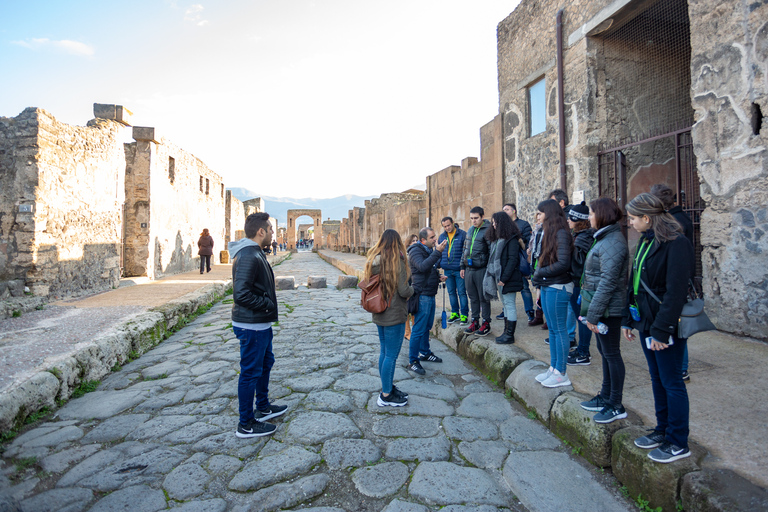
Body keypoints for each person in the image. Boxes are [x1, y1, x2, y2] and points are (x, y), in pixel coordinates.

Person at [622, 193, 694, 463]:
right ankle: (662, 430)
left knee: (672, 381)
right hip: (646, 322)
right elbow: (635, 282)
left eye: (632, 218)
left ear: (646, 218)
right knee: (656, 377)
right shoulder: (646, 240)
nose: (629, 223)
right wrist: (631, 320)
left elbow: (676, 292)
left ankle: (678, 440)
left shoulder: (677, 243)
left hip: (664, 326)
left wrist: (662, 331)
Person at [229, 213, 287, 438]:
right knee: (250, 372)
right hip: (251, 324)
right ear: (261, 231)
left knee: (265, 363)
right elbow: (241, 293)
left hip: (259, 323)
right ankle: (246, 423)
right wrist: (266, 304)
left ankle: (262, 406)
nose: (273, 232)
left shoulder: (254, 253)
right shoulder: (247, 255)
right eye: (270, 229)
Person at [577, 198, 628, 423]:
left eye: (591, 214)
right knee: (605, 353)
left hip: (609, 310)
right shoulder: (605, 238)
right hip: (602, 308)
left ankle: (615, 403)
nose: (589, 218)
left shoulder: (612, 241)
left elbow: (607, 282)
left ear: (602, 215)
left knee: (612, 354)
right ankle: (605, 396)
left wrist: (593, 314)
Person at [365, 229, 414, 407]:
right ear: (397, 242)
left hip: (379, 311)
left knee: (385, 352)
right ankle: (386, 395)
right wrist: (413, 290)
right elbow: (403, 290)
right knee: (391, 355)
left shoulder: (374, 260)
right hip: (394, 313)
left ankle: (387, 387)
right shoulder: (397, 261)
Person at [650, 183, 694, 382]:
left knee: (679, 328)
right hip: (684, 276)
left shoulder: (673, 224)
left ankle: (682, 367)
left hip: (677, 279)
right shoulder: (682, 217)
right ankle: (681, 366)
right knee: (680, 327)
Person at [531, 199, 574, 388]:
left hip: (559, 286)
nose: (537, 216)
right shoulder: (549, 233)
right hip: (549, 284)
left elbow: (563, 263)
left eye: (540, 213)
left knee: (559, 329)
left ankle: (561, 373)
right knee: (553, 330)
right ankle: (554, 368)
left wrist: (540, 273)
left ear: (548, 213)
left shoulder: (562, 233)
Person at [407, 227, 447, 375]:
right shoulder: (415, 250)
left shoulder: (429, 249)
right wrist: (438, 252)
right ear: (423, 240)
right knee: (418, 329)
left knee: (427, 326)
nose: (435, 239)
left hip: (430, 293)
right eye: (432, 237)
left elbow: (429, 268)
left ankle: (424, 352)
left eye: (434, 236)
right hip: (422, 294)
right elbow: (422, 267)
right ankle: (413, 361)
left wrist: (437, 277)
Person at [484, 212, 524, 344]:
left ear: (502, 223)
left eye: (496, 222)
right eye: (493, 222)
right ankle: (506, 332)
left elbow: (513, 261)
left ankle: (509, 335)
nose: (493, 225)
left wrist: (504, 278)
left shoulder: (511, 239)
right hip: (500, 278)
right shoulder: (498, 240)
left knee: (510, 305)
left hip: (508, 278)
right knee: (506, 305)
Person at [566, 202, 596, 366]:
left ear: (578, 220)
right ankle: (582, 348)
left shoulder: (583, 238)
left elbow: (578, 264)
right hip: (576, 283)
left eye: (571, 218)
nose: (568, 220)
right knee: (580, 317)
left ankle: (584, 352)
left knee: (583, 318)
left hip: (580, 284)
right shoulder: (578, 236)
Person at [461, 207, 492, 336]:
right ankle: (475, 321)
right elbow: (465, 248)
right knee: (472, 297)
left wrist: (490, 270)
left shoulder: (488, 230)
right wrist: (462, 266)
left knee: (483, 297)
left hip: (481, 269)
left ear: (482, 217)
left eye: (476, 218)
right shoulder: (470, 230)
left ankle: (486, 323)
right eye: (472, 218)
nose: (473, 221)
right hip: (469, 269)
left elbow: (491, 251)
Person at [503, 203, 535, 323]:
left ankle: (530, 312)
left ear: (514, 211)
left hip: (519, 261)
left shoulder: (523, 224)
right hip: (506, 262)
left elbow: (529, 242)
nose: (505, 211)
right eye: (503, 210)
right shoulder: (503, 226)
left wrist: (520, 240)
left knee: (524, 288)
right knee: (505, 288)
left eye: (507, 209)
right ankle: (505, 310)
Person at [438, 217, 469, 325]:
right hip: (447, 269)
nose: (447, 228)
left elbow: (466, 252)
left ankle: (464, 314)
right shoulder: (442, 236)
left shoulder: (462, 234)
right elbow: (439, 252)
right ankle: (455, 313)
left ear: (453, 223)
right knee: (451, 292)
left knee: (462, 293)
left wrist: (463, 267)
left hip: (459, 269)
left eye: (448, 225)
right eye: (445, 226)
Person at [404, 234, 418, 340]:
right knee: (407, 309)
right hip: (407, 282)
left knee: (415, 309)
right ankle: (407, 332)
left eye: (417, 240)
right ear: (409, 243)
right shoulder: (405, 255)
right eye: (413, 241)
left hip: (416, 283)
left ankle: (415, 331)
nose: (416, 242)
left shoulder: (419, 253)